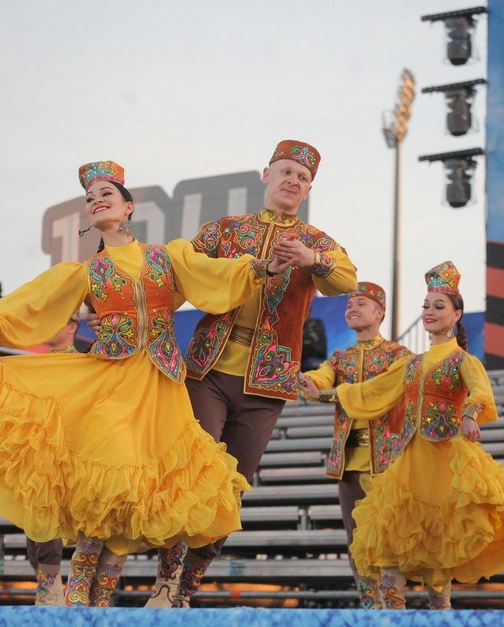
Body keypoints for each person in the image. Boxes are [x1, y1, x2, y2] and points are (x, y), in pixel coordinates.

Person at [0, 160, 291, 608]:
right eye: (89, 197)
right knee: (104, 483)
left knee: (155, 487)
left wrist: (262, 267)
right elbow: (34, 298)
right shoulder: (86, 272)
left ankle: (117, 600)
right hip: (110, 382)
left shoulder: (168, 256)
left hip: (161, 384)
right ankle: (79, 599)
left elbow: (214, 276)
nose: (96, 200)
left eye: (106, 193)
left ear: (128, 207)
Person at [139, 139, 357, 608]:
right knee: (193, 475)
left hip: (267, 382)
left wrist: (312, 260)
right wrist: (135, 318)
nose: (292, 181)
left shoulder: (314, 241)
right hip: (207, 369)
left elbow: (348, 280)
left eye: (302, 177)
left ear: (309, 188)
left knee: (232, 489)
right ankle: (164, 581)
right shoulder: (225, 230)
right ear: (266, 175)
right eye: (285, 172)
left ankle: (187, 588)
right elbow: (178, 275)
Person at [299, 262, 504, 610]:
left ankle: (439, 613)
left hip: (443, 457)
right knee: (391, 536)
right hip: (408, 460)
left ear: (457, 314)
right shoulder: (410, 364)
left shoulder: (459, 360)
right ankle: (387, 617)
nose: (429, 312)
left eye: (438, 307)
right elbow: (370, 391)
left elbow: (480, 393)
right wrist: (321, 393)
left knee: (438, 539)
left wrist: (470, 416)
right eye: (426, 306)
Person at [300, 282, 412, 609]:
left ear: (380, 312)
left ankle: (394, 607)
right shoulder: (341, 358)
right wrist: (312, 382)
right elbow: (323, 375)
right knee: (356, 542)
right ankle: (369, 607)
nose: (352, 308)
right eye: (349, 304)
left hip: (387, 461)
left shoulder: (399, 356)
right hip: (348, 463)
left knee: (387, 538)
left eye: (360, 304)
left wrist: (329, 393)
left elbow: (381, 392)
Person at [25, 311, 80, 606]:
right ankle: (50, 587)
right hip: (38, 452)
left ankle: (52, 591)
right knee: (33, 534)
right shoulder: (36, 364)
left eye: (55, 318)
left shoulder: (83, 364)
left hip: (67, 454)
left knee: (48, 524)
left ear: (72, 326)